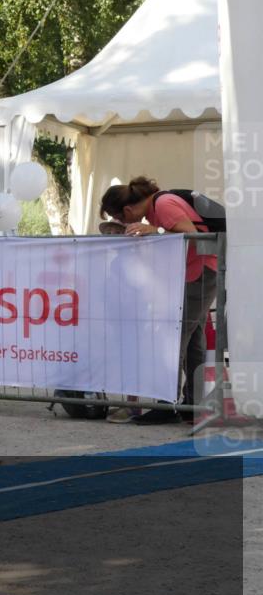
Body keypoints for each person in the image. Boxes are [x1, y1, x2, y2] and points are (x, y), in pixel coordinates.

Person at [99, 176, 218, 424]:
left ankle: (168, 403)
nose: (121, 224)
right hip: (200, 272)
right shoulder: (158, 207)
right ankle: (194, 404)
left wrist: (157, 230)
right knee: (193, 337)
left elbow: (191, 234)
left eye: (119, 218)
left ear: (128, 210)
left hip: (201, 272)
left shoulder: (163, 206)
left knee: (174, 336)